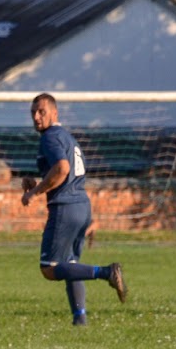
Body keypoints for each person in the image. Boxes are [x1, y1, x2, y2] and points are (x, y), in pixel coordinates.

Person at [20, 93, 128, 325]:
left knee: (49, 269)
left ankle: (107, 272)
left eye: (41, 111)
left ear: (55, 113)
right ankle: (80, 320)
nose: (36, 117)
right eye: (33, 113)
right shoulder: (67, 137)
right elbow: (65, 171)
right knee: (70, 265)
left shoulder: (49, 137)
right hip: (81, 206)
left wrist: (34, 193)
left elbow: (62, 168)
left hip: (65, 208)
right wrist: (37, 182)